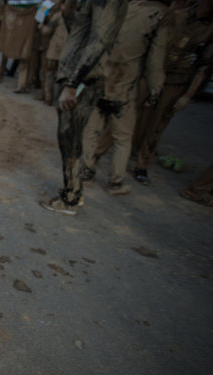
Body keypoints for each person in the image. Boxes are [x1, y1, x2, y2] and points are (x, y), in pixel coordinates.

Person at [39, 0, 128, 215]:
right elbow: (80, 35)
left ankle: (71, 197)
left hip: (82, 80)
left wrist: (73, 83)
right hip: (76, 75)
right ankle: (73, 192)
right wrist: (68, 13)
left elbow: (100, 40)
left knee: (70, 137)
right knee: (70, 137)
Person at [79, 0, 170, 195]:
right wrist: (155, 91)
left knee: (91, 130)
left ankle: (85, 173)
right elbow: (156, 59)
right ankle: (116, 182)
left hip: (100, 78)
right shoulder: (157, 15)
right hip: (124, 86)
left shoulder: (114, 7)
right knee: (122, 137)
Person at [131, 0, 213, 185]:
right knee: (133, 114)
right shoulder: (176, 14)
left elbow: (203, 67)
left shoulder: (209, 30)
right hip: (152, 72)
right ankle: (125, 151)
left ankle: (142, 164)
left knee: (157, 124)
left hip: (176, 81)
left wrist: (187, 96)